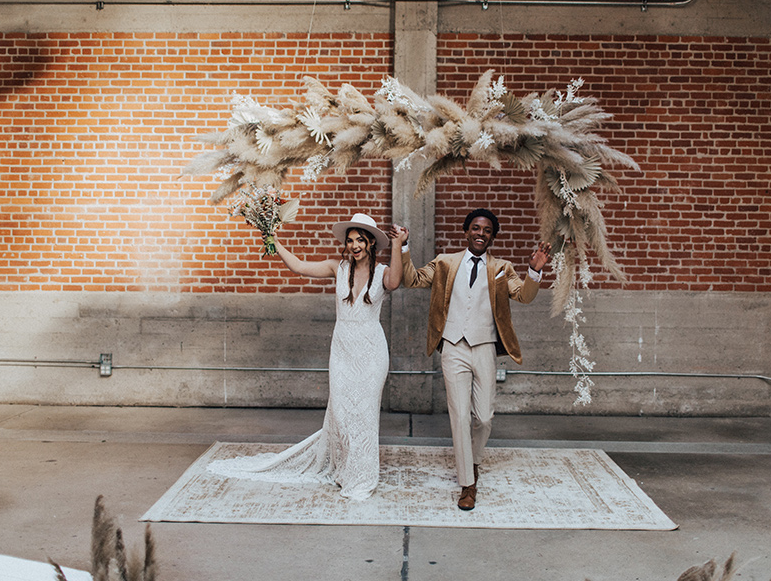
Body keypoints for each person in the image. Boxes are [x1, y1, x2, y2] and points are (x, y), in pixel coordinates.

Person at [207, 212, 404, 501]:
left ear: (372, 243)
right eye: (350, 241)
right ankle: (344, 469)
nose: (354, 246)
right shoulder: (336, 267)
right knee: (342, 414)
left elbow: (396, 282)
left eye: (360, 240)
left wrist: (398, 245)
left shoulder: (382, 271)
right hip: (342, 351)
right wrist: (273, 239)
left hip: (372, 352)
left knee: (363, 414)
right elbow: (299, 266)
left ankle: (361, 477)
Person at [399, 208, 550, 511]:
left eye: (488, 231)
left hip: (483, 347)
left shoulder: (502, 268)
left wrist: (534, 271)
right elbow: (412, 280)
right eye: (476, 229)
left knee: (483, 417)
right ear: (466, 231)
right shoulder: (445, 262)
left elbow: (523, 295)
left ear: (493, 236)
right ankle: (468, 484)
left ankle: (475, 460)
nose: (482, 234)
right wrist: (403, 246)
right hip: (453, 346)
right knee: (459, 417)